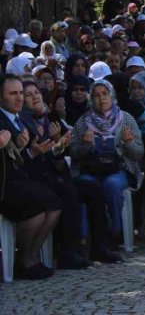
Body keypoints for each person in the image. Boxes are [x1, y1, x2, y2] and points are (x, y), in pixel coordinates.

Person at [20, 80, 123, 266]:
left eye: (36, 92)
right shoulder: (22, 122)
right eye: (28, 94)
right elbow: (32, 158)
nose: (35, 96)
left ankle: (99, 247)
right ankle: (68, 251)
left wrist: (59, 145)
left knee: (93, 189)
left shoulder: (51, 119)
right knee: (69, 192)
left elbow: (62, 157)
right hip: (34, 179)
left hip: (53, 174)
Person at [0, 75, 63, 279]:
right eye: (13, 94)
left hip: (22, 179)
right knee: (37, 207)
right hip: (5, 185)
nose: (19, 98)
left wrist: (31, 151)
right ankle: (25, 259)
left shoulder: (21, 118)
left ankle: (31, 256)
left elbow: (23, 158)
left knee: (55, 203)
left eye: (21, 93)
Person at [69, 79, 144, 243]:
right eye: (96, 95)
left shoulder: (126, 119)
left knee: (111, 184)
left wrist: (129, 143)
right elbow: (74, 154)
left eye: (105, 94)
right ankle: (84, 238)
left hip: (119, 169)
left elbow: (138, 154)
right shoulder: (83, 122)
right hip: (91, 170)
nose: (101, 98)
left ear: (112, 96)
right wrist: (85, 145)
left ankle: (114, 233)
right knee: (86, 186)